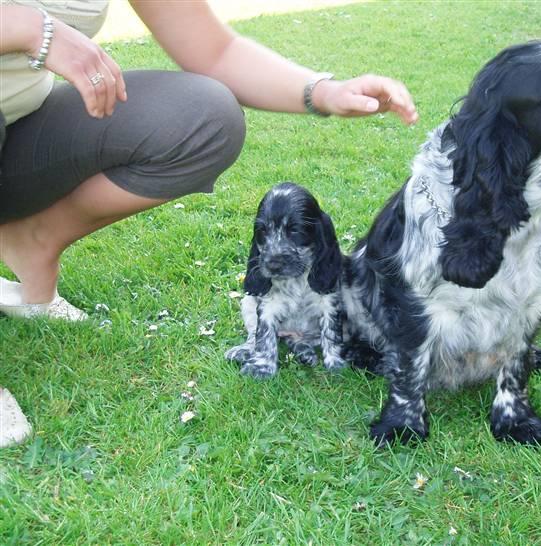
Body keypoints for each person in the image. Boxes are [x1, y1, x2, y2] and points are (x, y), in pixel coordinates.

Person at [0, 0, 418, 448]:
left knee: (205, 116)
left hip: (21, 124)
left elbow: (215, 50)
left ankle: (34, 239)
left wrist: (323, 92)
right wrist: (33, 27)